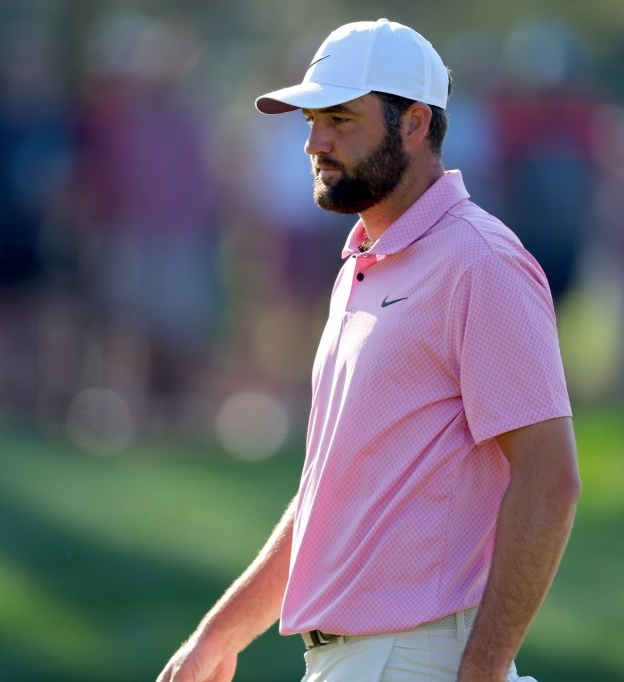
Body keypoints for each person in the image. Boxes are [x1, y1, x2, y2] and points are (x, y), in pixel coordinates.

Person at [157, 19, 580, 682]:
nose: (314, 142)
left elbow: (549, 480)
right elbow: (336, 493)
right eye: (310, 121)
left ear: (413, 123)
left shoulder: (480, 262)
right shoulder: (363, 265)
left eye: (340, 120)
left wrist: (483, 671)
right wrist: (221, 634)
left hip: (417, 660)